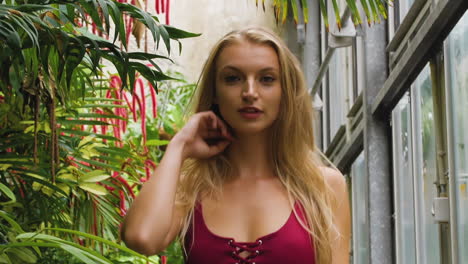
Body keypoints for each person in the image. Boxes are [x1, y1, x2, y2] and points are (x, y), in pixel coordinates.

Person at [121, 27, 351, 264]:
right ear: (215, 93)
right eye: (233, 78)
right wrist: (179, 145)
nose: (249, 92)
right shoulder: (190, 188)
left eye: (267, 79)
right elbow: (141, 237)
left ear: (286, 93)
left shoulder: (323, 187)